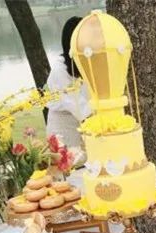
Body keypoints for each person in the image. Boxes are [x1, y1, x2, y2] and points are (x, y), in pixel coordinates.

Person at [46, 16, 91, 149]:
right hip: (63, 128)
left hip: (83, 124)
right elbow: (79, 108)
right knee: (70, 159)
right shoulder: (60, 70)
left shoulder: (85, 62)